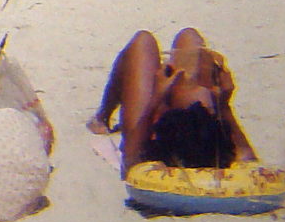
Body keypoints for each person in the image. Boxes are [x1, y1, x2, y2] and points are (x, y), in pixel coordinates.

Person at [87, 28, 257, 177]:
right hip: (192, 131)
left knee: (143, 41)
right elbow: (248, 157)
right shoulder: (222, 159)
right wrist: (223, 105)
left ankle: (103, 116)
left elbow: (131, 151)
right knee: (189, 37)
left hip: (154, 127)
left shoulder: (146, 166)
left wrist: (157, 97)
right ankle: (104, 115)